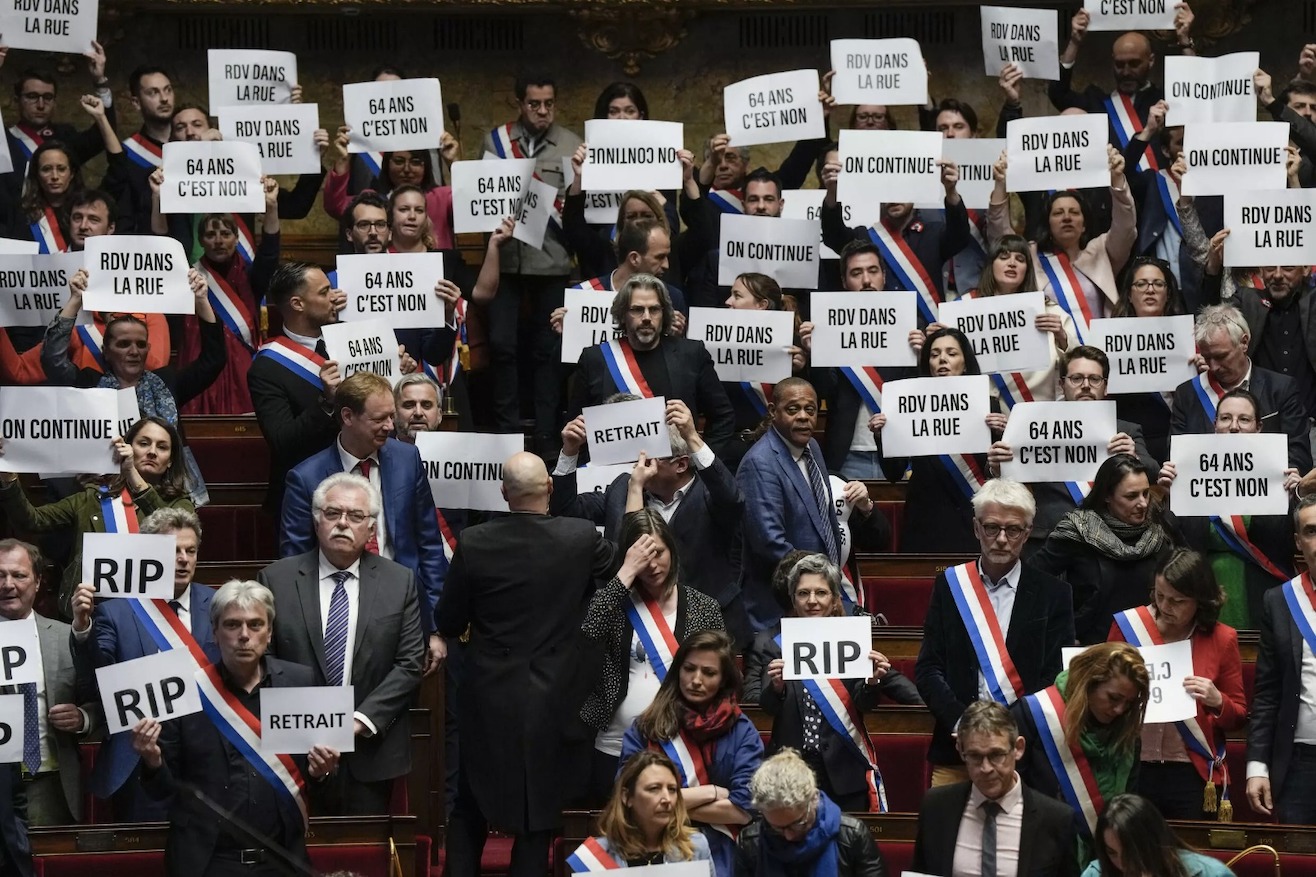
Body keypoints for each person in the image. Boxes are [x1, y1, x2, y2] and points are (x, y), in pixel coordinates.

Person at [438, 453, 615, 877]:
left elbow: (448, 620)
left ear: (503, 493)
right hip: (556, 692)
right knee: (540, 810)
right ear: (550, 489)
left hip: (488, 692)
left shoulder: (475, 542)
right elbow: (615, 587)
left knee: (470, 800)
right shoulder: (580, 535)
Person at [130, 580, 341, 877]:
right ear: (215, 632)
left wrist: (322, 773)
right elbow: (162, 791)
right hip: (208, 863)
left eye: (255, 625)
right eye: (232, 625)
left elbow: (326, 788)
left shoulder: (299, 682)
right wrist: (152, 759)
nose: (244, 636)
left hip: (281, 861)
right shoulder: (188, 692)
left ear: (269, 633)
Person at [259, 473, 425, 815]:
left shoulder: (399, 581)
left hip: (370, 750)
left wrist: (357, 722)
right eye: (333, 513)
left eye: (355, 516)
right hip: (294, 750)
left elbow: (409, 663)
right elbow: (265, 661)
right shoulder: (276, 579)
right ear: (316, 521)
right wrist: (310, 730)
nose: (343, 524)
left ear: (372, 528)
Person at [279, 372, 446, 676]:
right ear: (348, 416)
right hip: (337, 612)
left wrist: (435, 627)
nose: (391, 427)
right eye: (380, 419)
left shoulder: (408, 459)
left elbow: (429, 546)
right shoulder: (306, 478)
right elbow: (294, 563)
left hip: (403, 609)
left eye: (392, 417)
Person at [915, 478, 1074, 787]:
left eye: (1013, 529)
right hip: (958, 751)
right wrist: (964, 724)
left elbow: (1055, 677)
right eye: (992, 528)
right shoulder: (950, 586)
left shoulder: (1054, 594)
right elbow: (928, 669)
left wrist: (1012, 732)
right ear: (977, 529)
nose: (1001, 539)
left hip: (1023, 754)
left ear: (1027, 534)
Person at [553, 399, 750, 645]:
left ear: (680, 464)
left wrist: (692, 437)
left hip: (708, 627)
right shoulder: (623, 488)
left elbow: (733, 499)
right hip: (637, 628)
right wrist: (570, 451)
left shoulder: (712, 495)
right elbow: (566, 510)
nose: (639, 462)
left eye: (651, 455)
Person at [70, 507, 218, 821]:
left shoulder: (219, 605)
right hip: (139, 760)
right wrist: (83, 627)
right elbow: (94, 681)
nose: (183, 559)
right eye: (174, 550)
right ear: (148, 555)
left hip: (208, 761)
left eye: (190, 551)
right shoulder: (115, 612)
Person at [743, 553, 918, 811]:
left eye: (820, 593)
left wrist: (871, 683)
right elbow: (765, 707)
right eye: (803, 593)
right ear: (793, 598)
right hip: (790, 767)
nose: (812, 601)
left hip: (843, 770)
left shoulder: (851, 637)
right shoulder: (770, 642)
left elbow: (865, 703)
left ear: (835, 598)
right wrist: (776, 687)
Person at [576, 510, 725, 805]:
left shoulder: (703, 606)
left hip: (682, 744)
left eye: (659, 552)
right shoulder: (615, 603)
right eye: (643, 558)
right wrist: (625, 574)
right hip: (615, 745)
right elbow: (588, 632)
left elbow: (722, 673)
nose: (653, 565)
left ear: (672, 549)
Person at [0, 417, 195, 616]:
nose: (152, 451)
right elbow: (32, 521)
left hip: (152, 616)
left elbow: (173, 534)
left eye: (162, 447)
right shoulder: (93, 498)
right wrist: (8, 477)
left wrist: (131, 474)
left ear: (171, 460)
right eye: (144, 443)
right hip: (89, 612)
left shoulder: (180, 504)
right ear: (126, 448)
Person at [481, 73, 581, 451]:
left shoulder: (571, 145)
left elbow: (576, 211)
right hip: (505, 261)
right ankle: (506, 431)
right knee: (502, 345)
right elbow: (481, 197)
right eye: (534, 103)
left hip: (551, 261)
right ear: (520, 104)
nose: (542, 111)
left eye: (549, 103)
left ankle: (545, 430)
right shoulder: (495, 142)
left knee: (548, 351)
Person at [1107, 548, 1246, 820]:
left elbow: (1238, 715)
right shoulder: (1129, 626)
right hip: (1132, 764)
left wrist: (1217, 700)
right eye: (1160, 596)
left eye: (1177, 601)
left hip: (1190, 772)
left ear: (1200, 600)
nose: (1165, 607)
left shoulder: (1222, 638)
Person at [987, 346, 1160, 554]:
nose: (1086, 385)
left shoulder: (1126, 430)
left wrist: (1133, 457)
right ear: (1062, 384)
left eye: (1094, 379)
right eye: (1076, 378)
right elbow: (1011, 485)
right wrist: (998, 469)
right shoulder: (1031, 426)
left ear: (1105, 387)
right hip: (1050, 539)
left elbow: (1153, 471)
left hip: (1112, 539)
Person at [620, 630, 762, 877]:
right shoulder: (646, 727)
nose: (696, 680)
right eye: (689, 669)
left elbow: (742, 810)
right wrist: (712, 793)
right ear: (678, 671)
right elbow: (626, 796)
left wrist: (658, 806)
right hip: (653, 847)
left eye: (709, 673)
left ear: (723, 680)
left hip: (722, 849)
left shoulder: (742, 730)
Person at [1159, 389, 1300, 629]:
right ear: (1214, 425)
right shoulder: (1186, 472)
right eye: (1225, 418)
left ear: (1258, 428)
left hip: (1263, 590)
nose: (1233, 426)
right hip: (1203, 595)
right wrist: (1169, 496)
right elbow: (1176, 545)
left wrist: (1294, 496)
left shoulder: (1280, 474)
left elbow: (1288, 541)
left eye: (1244, 419)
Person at [573, 275, 735, 460]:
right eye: (637, 310)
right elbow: (577, 428)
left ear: (664, 313)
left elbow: (723, 417)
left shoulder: (692, 354)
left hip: (675, 479)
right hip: (614, 480)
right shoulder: (595, 358)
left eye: (654, 309)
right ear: (622, 314)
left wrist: (700, 465)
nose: (647, 318)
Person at [911, 700, 1079, 877]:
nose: (986, 769)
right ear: (960, 751)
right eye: (975, 756)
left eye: (996, 755)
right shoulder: (936, 808)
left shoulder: (1056, 819)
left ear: (1018, 748)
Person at [987, 146, 1135, 344]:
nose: (1066, 217)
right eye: (1058, 213)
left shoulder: (1101, 251)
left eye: (1074, 212)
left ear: (1084, 224)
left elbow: (1125, 225)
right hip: (1054, 358)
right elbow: (1000, 233)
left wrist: (1117, 180)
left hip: (1103, 354)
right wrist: (1001, 184)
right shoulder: (1031, 256)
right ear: (1048, 223)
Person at [1012, 642, 1149, 857]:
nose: (1120, 710)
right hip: (1042, 851)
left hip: (1106, 860)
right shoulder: (1034, 715)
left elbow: (1128, 805)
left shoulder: (1128, 736)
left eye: (1129, 703)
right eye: (1113, 698)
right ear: (1088, 681)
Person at [801, 241, 924, 478]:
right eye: (856, 273)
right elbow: (825, 391)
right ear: (845, 282)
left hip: (899, 452)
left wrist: (923, 357)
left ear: (884, 276)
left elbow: (923, 393)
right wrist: (815, 354)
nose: (866, 280)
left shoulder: (912, 325)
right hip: (847, 453)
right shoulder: (828, 325)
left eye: (873, 271)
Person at [871, 327, 1000, 554]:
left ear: (965, 362)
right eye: (934, 354)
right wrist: (882, 437)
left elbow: (997, 474)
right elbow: (893, 473)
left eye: (951, 353)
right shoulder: (908, 404)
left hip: (972, 515)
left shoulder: (989, 405)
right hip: (925, 516)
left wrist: (1000, 435)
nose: (942, 359)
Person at [1033, 454, 1181, 645]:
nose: (1143, 503)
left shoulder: (1160, 527)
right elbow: (1033, 578)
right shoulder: (1078, 530)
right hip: (1094, 648)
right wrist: (1061, 630)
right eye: (1131, 496)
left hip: (1154, 647)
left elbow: (1186, 577)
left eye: (1145, 493)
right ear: (1106, 496)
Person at [736, 378, 848, 630]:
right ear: (773, 411)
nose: (803, 417)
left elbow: (824, 521)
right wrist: (820, 585)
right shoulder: (760, 463)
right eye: (792, 409)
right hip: (779, 608)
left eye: (810, 410)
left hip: (816, 601)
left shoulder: (812, 448)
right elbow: (770, 543)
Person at [0, 539, 96, 825]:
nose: (7, 584)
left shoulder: (66, 636)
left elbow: (99, 700)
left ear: (38, 581)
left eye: (19, 575)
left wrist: (82, 718)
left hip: (51, 785)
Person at [43, 272, 225, 420]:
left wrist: (201, 300)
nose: (134, 351)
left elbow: (213, 360)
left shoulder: (167, 383)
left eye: (140, 344)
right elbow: (53, 360)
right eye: (123, 344)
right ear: (106, 351)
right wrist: (75, 299)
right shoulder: (89, 384)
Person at [247, 261, 348, 514]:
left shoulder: (349, 341)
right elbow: (283, 442)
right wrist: (325, 402)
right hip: (304, 498)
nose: (334, 297)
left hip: (358, 483)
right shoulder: (267, 366)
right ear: (297, 304)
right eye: (324, 292)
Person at [1170, 304, 1312, 474]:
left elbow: (1299, 455)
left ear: (1244, 342)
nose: (1213, 367)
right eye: (1207, 358)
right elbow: (1175, 457)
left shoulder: (1281, 388)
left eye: (1221, 356)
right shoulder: (1188, 393)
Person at [1246, 493, 1316, 824]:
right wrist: (1257, 765)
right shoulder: (1280, 601)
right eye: (1311, 531)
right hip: (1301, 762)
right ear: (1298, 541)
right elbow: (1267, 693)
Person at [1048, 7, 1196, 157]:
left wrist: (1184, 40)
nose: (1126, 72)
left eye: (1134, 64)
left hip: (1159, 179)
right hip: (1113, 179)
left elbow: (1197, 88)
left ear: (1150, 61)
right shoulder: (1096, 103)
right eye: (1119, 64)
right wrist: (1074, 41)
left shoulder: (1166, 100)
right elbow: (1058, 93)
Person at [733, 748, 886, 877]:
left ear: (814, 799)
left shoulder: (852, 836)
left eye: (798, 823)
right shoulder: (750, 842)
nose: (789, 836)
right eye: (777, 828)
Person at [962, 235, 1075, 407]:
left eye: (1020, 259)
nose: (1012, 263)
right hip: (977, 409)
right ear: (991, 264)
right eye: (1004, 257)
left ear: (1027, 269)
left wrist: (1062, 337)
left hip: (1033, 412)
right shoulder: (965, 307)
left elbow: (1079, 364)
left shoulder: (1049, 311)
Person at [565, 750, 712, 869]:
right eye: (654, 789)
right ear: (627, 797)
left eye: (672, 789)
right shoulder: (595, 856)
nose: (667, 799)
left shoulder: (696, 847)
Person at [1109, 257, 1191, 462]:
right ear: (1129, 294)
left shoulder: (1188, 339)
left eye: (1158, 284)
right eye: (1141, 284)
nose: (1150, 289)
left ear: (1168, 293)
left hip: (1178, 438)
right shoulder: (1109, 342)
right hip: (1130, 443)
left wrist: (1201, 376)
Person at [324, 129, 458, 250]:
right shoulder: (372, 200)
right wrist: (343, 159)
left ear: (426, 166)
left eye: (416, 162)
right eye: (399, 161)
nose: (407, 169)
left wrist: (454, 163)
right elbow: (335, 206)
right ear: (387, 164)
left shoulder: (442, 198)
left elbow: (470, 209)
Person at [1083, 793, 1233, 877]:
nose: (1123, 864)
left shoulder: (1212, 873)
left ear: (1154, 842)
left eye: (1130, 852)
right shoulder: (1094, 874)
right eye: (1112, 853)